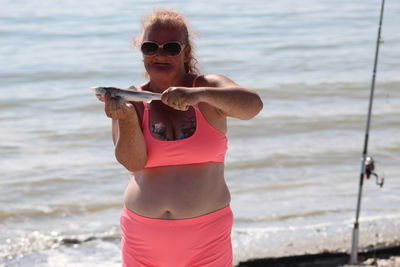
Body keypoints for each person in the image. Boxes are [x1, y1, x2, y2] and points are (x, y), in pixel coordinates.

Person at [103, 9, 263, 267]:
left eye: (171, 47)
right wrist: (127, 118)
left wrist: (200, 95)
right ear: (141, 51)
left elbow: (253, 106)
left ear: (186, 52)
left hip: (206, 237)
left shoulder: (208, 86)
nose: (159, 54)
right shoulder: (130, 99)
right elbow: (133, 163)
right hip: (142, 237)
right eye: (150, 47)